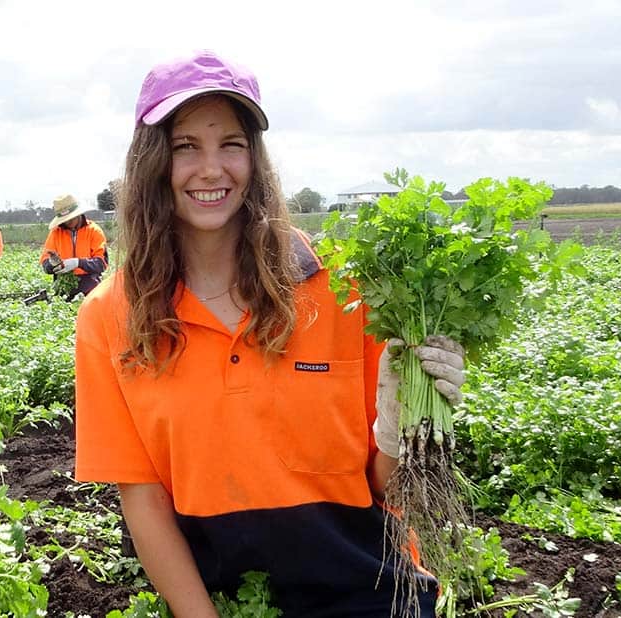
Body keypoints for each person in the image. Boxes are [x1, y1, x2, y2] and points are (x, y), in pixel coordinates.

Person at [74, 51, 466, 617]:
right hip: (224, 600)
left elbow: (385, 483)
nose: (212, 168)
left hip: (370, 590)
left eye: (231, 143)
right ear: (151, 162)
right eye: (186, 146)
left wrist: (404, 426)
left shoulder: (344, 287)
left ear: (255, 159)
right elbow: (144, 499)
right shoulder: (111, 316)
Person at [39, 195, 108, 299]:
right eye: (65, 219)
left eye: (71, 218)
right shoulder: (56, 233)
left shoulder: (94, 231)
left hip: (90, 291)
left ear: (78, 214)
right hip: (63, 291)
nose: (68, 221)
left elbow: (101, 263)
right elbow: (45, 263)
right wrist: (53, 264)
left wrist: (78, 263)